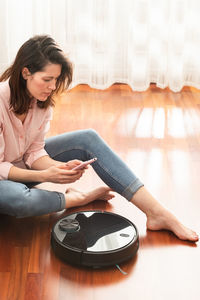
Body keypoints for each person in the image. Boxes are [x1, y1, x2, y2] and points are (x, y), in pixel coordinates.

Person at [0, 35, 198, 242]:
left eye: (56, 80)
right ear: (25, 73)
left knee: (88, 138)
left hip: (21, 166)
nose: (52, 87)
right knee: (17, 198)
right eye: (47, 80)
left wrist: (58, 168)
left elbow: (34, 151)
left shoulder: (41, 102)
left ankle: (157, 212)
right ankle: (76, 198)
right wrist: (46, 176)